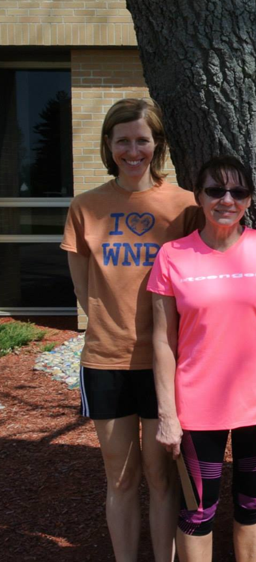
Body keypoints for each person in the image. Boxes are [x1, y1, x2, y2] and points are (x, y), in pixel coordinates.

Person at [61, 97, 198, 562]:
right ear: (108, 145)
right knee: (119, 478)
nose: (133, 150)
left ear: (157, 144)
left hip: (165, 362)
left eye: (142, 140)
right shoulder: (86, 207)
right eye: (123, 141)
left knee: (162, 478)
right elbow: (84, 287)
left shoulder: (185, 206)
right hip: (106, 361)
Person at [148, 155, 256, 561]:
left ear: (249, 199)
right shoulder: (172, 256)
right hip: (196, 408)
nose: (226, 199)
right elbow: (162, 341)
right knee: (198, 510)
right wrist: (168, 414)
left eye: (238, 191)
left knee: (253, 503)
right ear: (198, 196)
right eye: (215, 190)